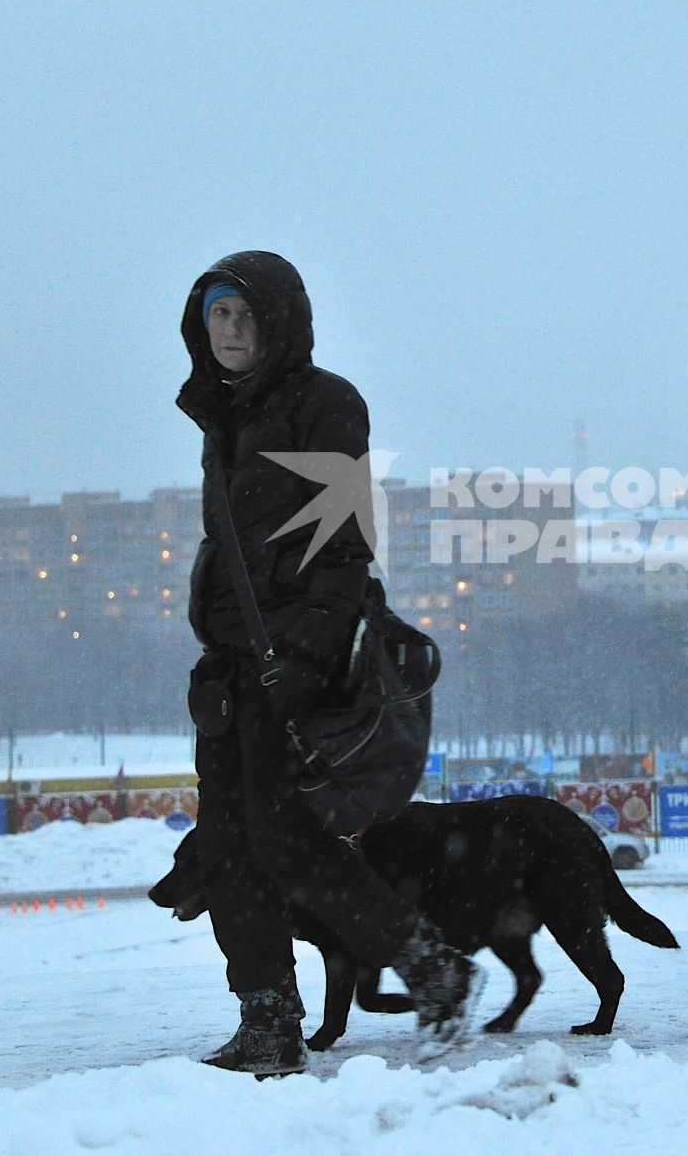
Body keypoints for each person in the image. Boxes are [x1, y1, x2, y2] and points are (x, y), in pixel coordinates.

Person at [176, 250, 482, 1075]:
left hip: (292, 662)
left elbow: (341, 550)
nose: (230, 331)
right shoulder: (222, 415)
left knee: (286, 840)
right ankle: (267, 1016)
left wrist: (305, 658)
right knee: (226, 848)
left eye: (244, 314)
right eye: (217, 316)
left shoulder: (325, 405)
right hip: (232, 666)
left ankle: (430, 964)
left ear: (279, 321)